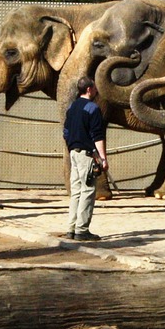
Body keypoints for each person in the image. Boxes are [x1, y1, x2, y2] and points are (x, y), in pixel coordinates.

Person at [62, 76, 108, 241]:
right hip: (86, 155)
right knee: (88, 191)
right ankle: (82, 230)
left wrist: (71, 149)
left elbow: (66, 133)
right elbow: (97, 136)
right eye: (95, 88)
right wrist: (103, 158)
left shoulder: (72, 108)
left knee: (76, 192)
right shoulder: (92, 108)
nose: (96, 91)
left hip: (73, 153)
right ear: (89, 89)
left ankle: (71, 228)